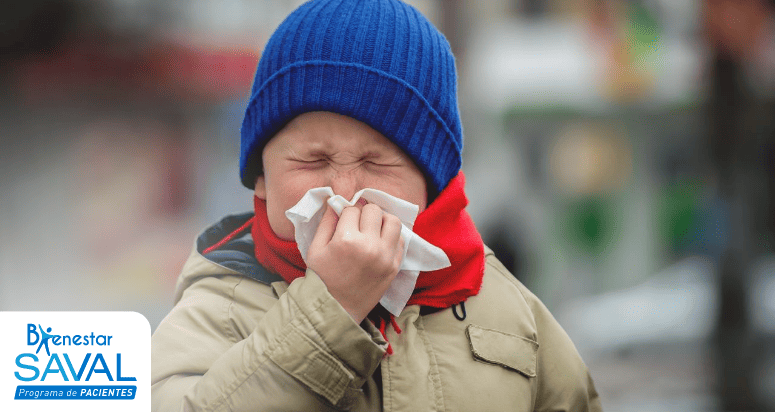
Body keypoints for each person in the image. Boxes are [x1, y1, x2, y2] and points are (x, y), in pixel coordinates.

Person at [151, 0, 602, 410]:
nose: (345, 192)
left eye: (375, 161)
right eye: (314, 160)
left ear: (432, 184)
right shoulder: (216, 308)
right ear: (263, 179)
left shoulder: (509, 312)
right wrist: (329, 309)